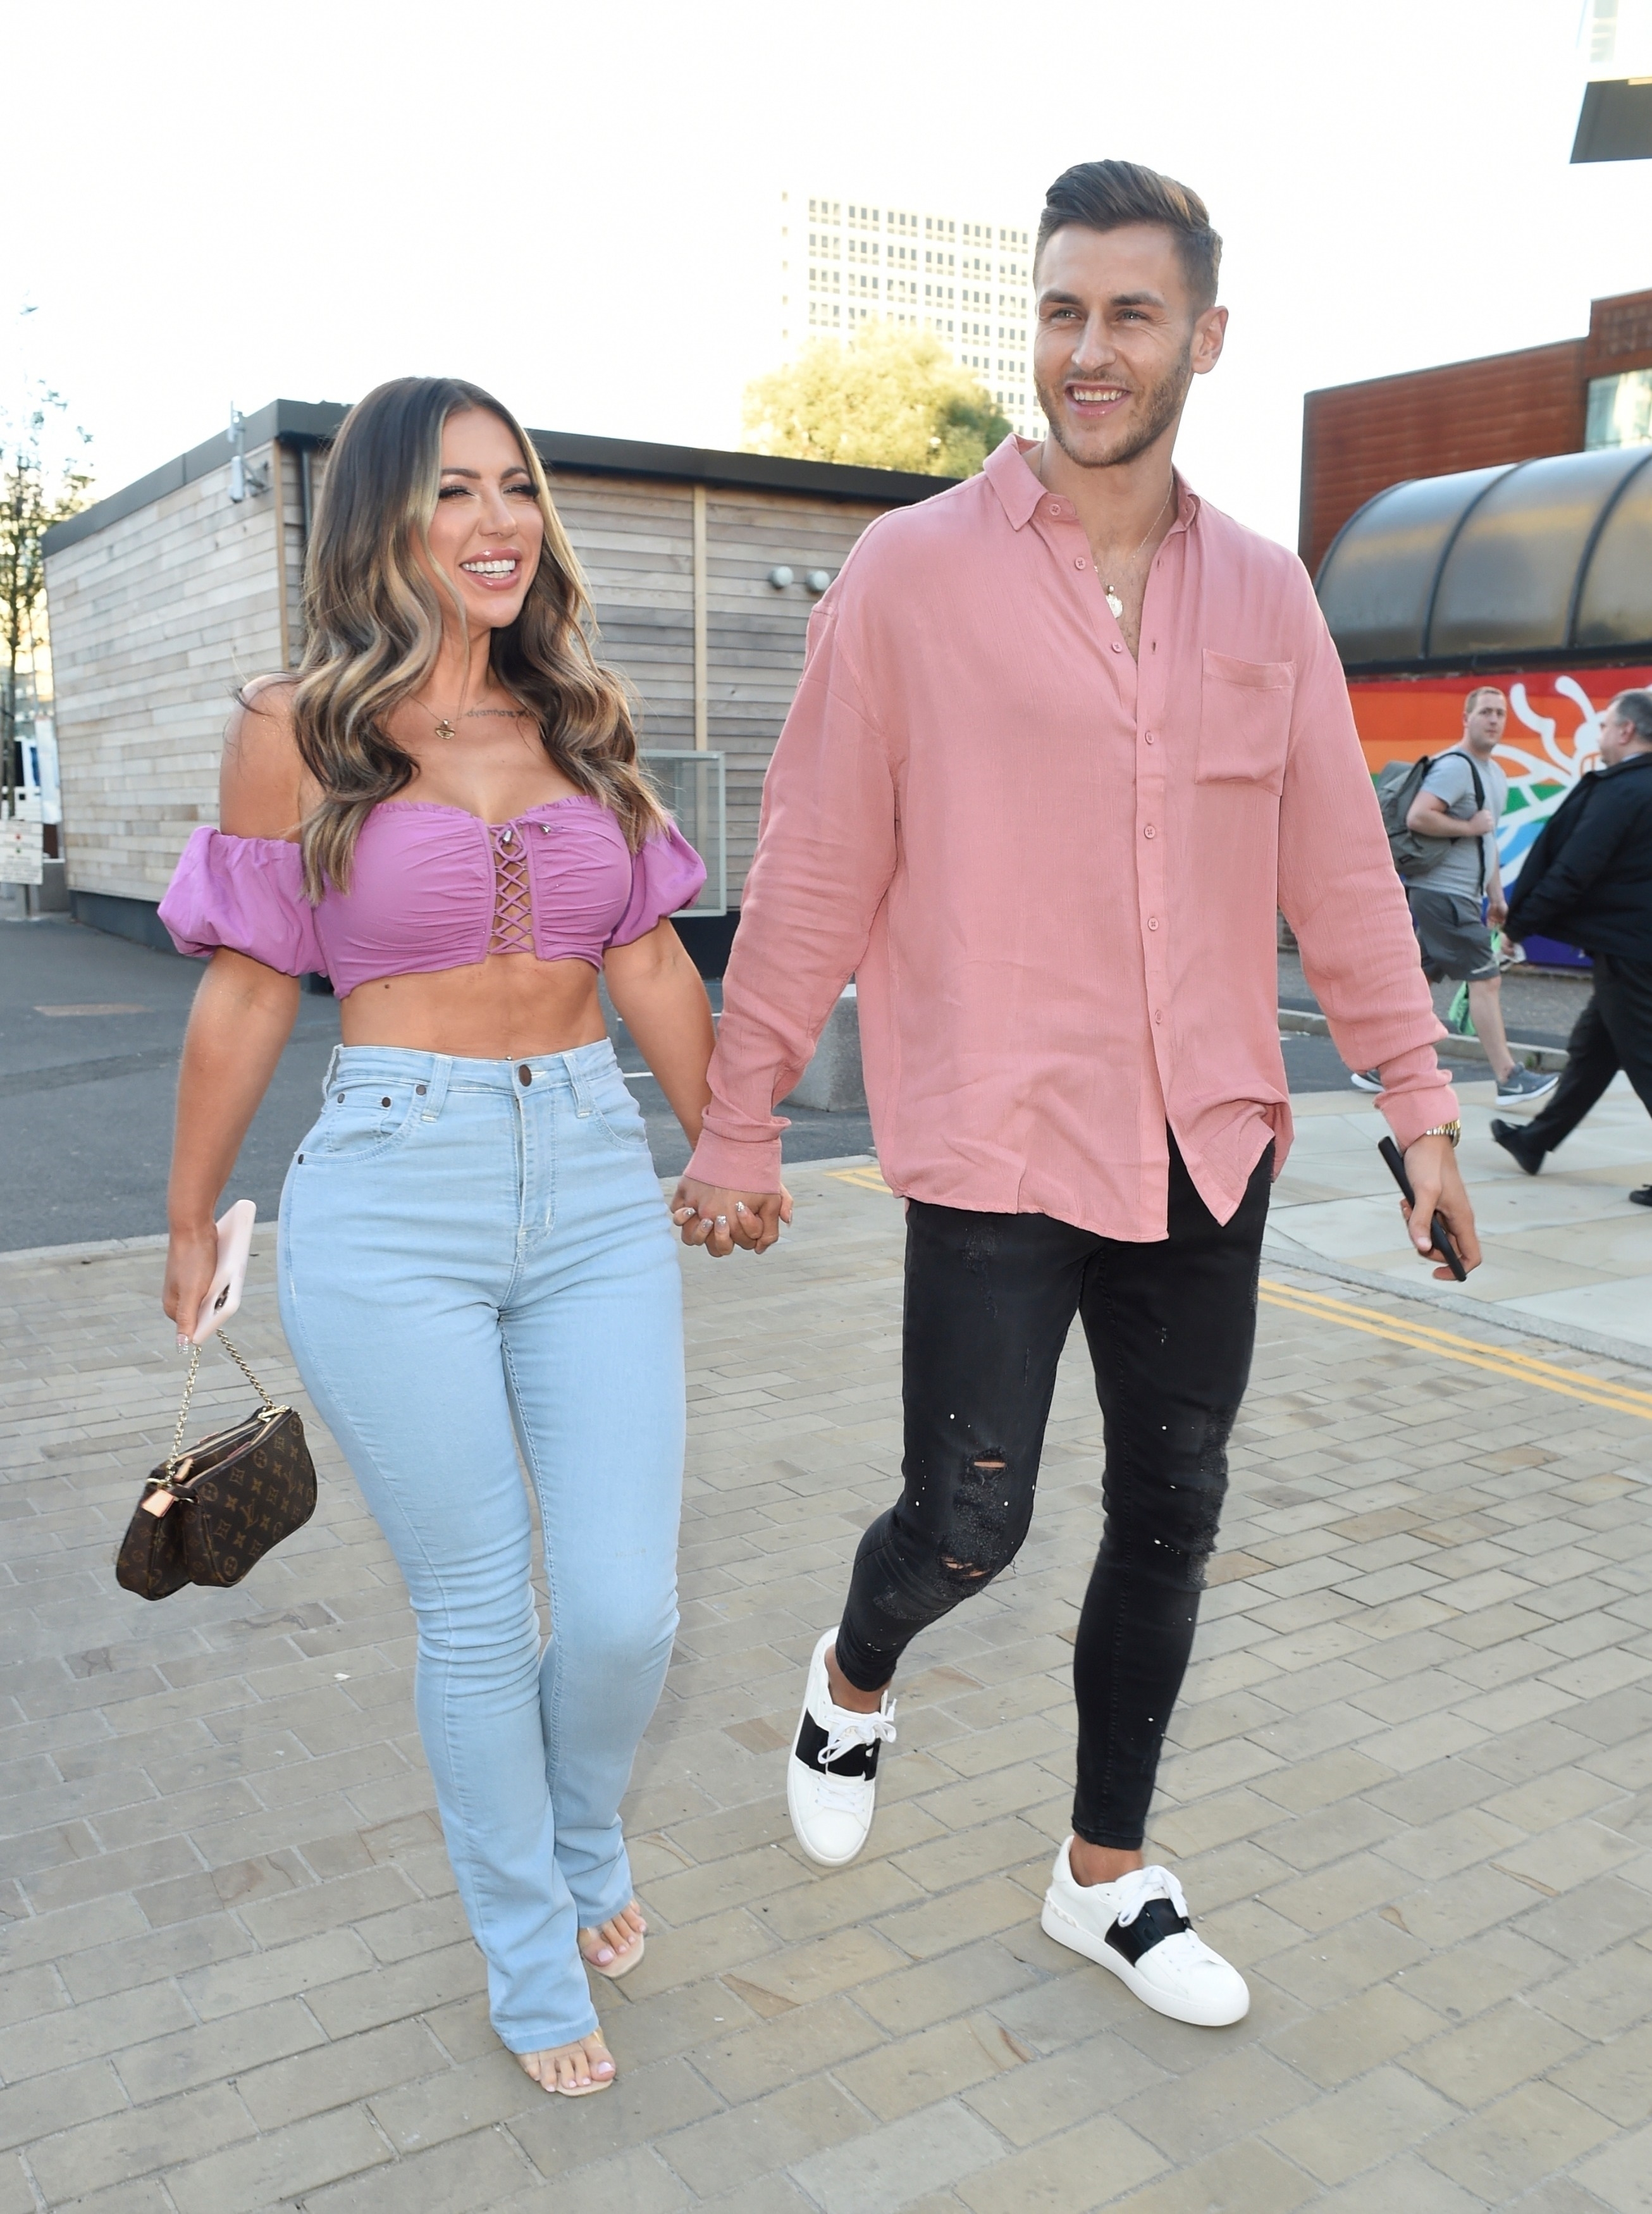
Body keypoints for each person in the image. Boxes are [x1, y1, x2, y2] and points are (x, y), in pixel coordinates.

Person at [670, 161, 1481, 2029]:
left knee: (1172, 1513)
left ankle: (1103, 1874)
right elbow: (815, 860)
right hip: (998, 1134)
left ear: (1205, 336)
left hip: (1210, 1136)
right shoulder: (910, 575)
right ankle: (853, 1672)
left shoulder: (1265, 593)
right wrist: (741, 1114)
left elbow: (1340, 870)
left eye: (1128, 313)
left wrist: (1419, 1107)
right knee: (970, 1519)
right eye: (1059, 310)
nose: (1088, 349)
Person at [159, 377, 724, 2098]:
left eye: (516, 488)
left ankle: (581, 1832)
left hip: (592, 1179)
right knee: (481, 1612)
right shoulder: (297, 728)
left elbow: (648, 960)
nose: (497, 523)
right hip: (390, 1198)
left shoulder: (582, 720)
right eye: (455, 491)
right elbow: (250, 989)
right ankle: (529, 1948)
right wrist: (187, 1213)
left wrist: (735, 1137)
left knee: (622, 1611)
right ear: (383, 521)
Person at [1351, 686, 1556, 1107]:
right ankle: (1509, 1077)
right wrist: (1468, 827)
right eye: (1485, 712)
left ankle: (1380, 1066)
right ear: (1467, 719)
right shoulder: (1455, 767)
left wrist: (1495, 897)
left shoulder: (1495, 775)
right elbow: (1419, 816)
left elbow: (1488, 841)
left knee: (1420, 982)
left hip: (1461, 896)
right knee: (1486, 979)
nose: (1494, 720)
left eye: (1500, 713)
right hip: (1442, 893)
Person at [1491, 688, 1652, 1199]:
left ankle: (1536, 1139)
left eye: (1604, 725)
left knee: (1645, 1058)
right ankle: (1535, 1140)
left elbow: (1573, 870)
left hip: (1630, 950)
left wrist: (1518, 927)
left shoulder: (1622, 791)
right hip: (1634, 946)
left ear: (1626, 730)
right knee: (1593, 1049)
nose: (1600, 734)